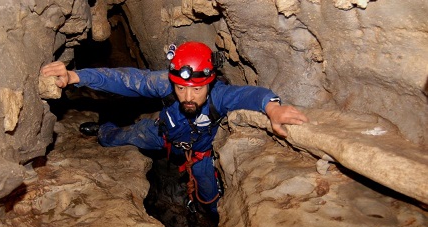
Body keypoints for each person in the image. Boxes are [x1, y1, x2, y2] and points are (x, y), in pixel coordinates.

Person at [41, 41, 308, 216]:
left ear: (210, 83)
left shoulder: (220, 96)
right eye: (181, 89)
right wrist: (76, 77)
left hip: (200, 156)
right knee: (118, 138)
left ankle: (215, 224)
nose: (188, 98)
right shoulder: (164, 84)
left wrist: (272, 107)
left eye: (196, 90)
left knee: (210, 198)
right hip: (161, 134)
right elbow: (124, 79)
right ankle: (102, 130)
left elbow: (249, 95)